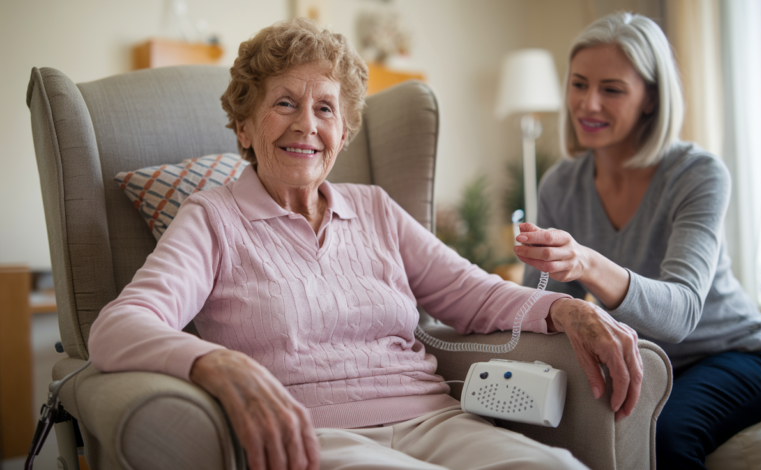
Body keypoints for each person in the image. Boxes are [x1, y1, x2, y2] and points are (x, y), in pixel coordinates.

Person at [89, 18, 642, 470]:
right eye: (284, 103)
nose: (306, 125)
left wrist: (568, 308)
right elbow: (119, 327)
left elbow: (474, 295)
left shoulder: (375, 207)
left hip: (438, 422)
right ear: (243, 126)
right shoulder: (213, 218)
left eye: (325, 108)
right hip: (313, 436)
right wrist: (212, 364)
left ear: (344, 132)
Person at [518, 12, 761, 470]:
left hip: (735, 353)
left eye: (612, 89)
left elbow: (680, 314)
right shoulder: (560, 184)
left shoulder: (698, 173)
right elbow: (540, 305)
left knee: (665, 438)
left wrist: (586, 264)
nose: (588, 103)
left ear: (650, 100)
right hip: (649, 359)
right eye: (578, 84)